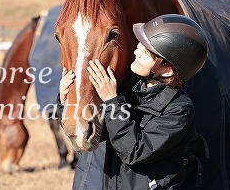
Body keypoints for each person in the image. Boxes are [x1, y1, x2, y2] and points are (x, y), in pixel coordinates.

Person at [59, 14, 209, 189]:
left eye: (145, 52)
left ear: (167, 70)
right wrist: (66, 103)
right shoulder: (131, 91)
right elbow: (99, 133)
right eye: (138, 46)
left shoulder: (179, 111)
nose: (136, 52)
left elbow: (134, 151)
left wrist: (112, 101)